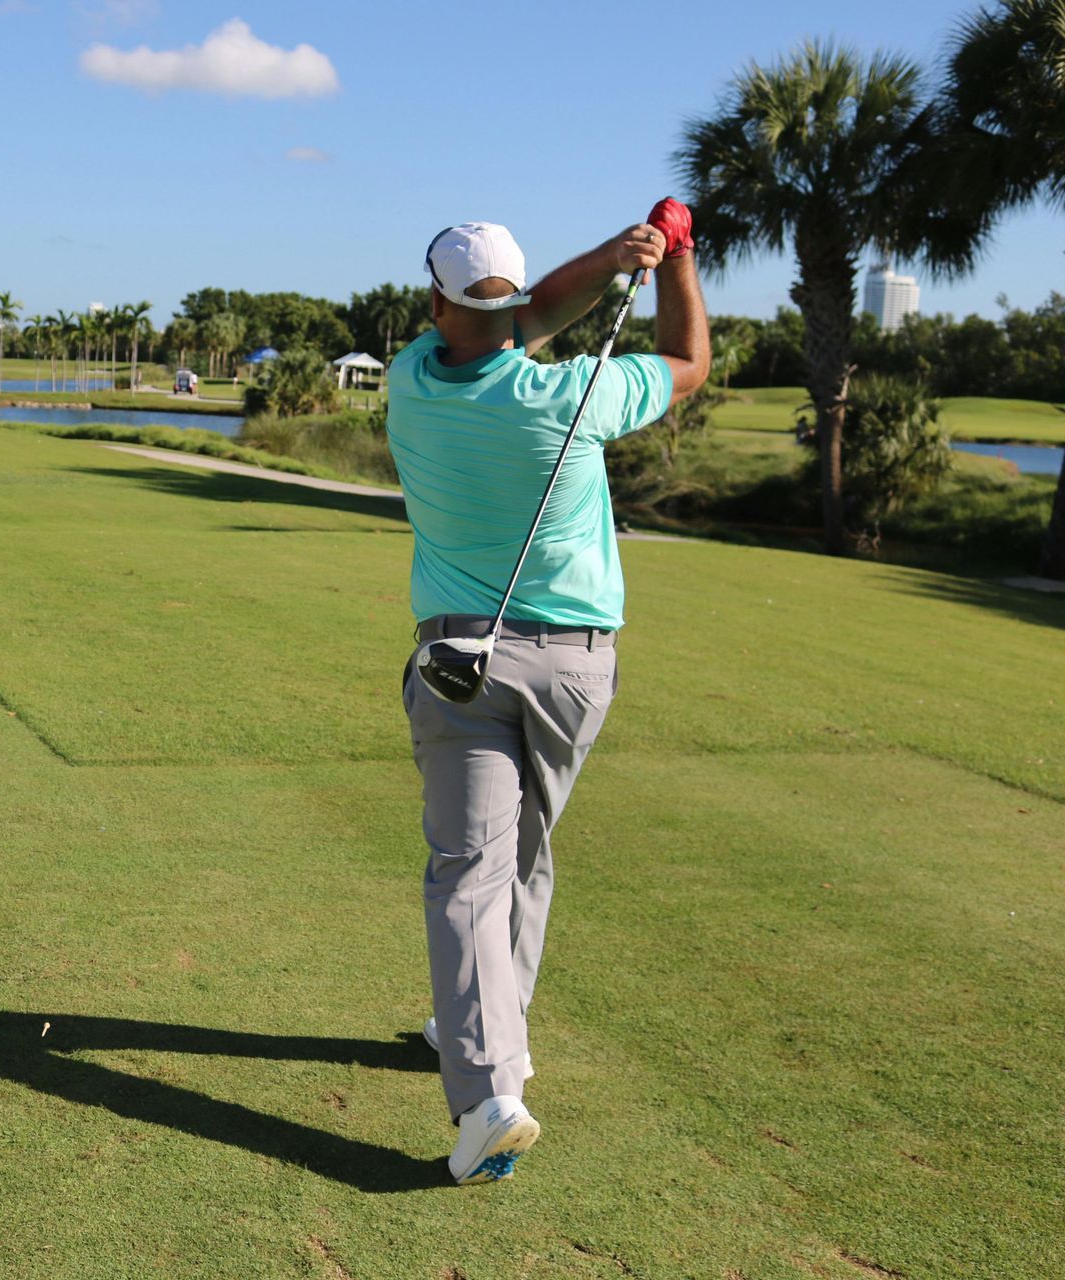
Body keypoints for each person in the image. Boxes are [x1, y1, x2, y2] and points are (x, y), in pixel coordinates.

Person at [386, 204, 708, 1185]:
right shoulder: (576, 394)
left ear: (435, 303)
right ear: (516, 298)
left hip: (463, 663)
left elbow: (512, 323)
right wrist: (671, 261)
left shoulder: (410, 380)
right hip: (575, 668)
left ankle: (489, 1086)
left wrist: (611, 259)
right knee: (522, 855)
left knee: (471, 867)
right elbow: (686, 362)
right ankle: (491, 1041)